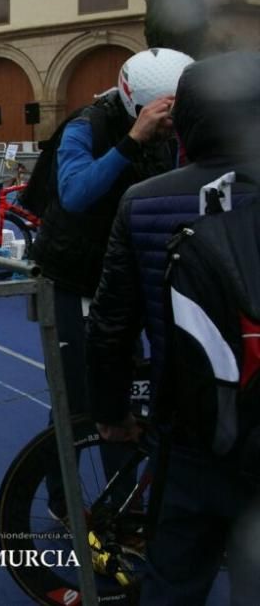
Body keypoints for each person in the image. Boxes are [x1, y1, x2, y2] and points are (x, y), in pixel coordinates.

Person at [86, 51, 260, 604]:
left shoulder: (142, 202)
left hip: (187, 432)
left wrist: (112, 414)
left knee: (174, 581)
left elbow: (111, 323)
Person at [30, 47, 195, 520]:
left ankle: (125, 502)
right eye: (162, 116)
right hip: (74, 277)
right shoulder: (88, 125)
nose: (169, 125)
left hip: (130, 275)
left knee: (127, 390)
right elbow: (77, 192)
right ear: (136, 104)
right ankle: (63, 499)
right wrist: (133, 142)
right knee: (76, 396)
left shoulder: (173, 129)